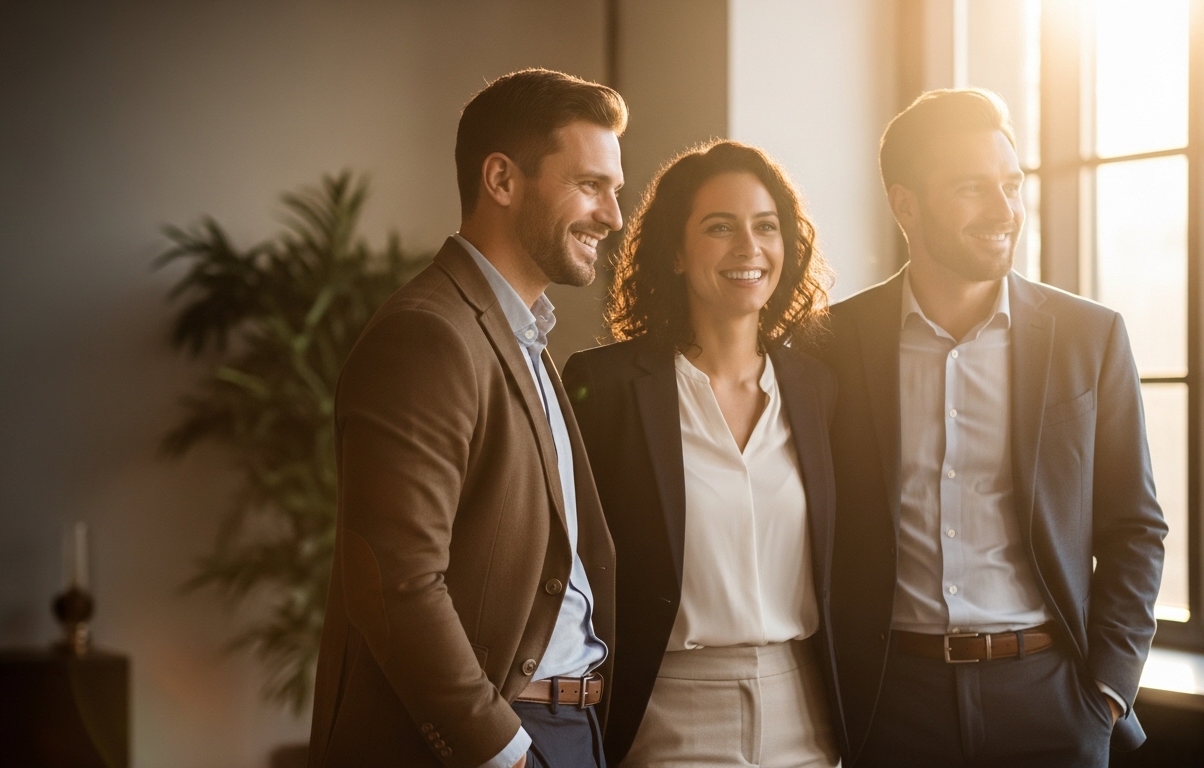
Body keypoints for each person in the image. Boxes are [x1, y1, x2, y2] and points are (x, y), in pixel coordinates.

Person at [813, 88, 1168, 767]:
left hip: (1051, 699)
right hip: (890, 704)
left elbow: (1135, 527)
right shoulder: (831, 343)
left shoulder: (1089, 338)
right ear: (904, 204)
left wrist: (1108, 691)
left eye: (1012, 185)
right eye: (972, 189)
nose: (1004, 211)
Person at [308, 68, 626, 768]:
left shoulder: (522, 338)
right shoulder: (428, 335)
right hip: (500, 742)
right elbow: (397, 582)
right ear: (503, 181)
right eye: (589, 185)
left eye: (615, 190)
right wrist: (504, 752)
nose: (613, 216)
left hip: (570, 733)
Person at [564, 140, 845, 767]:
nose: (749, 248)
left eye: (766, 227)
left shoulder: (817, 389)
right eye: (720, 228)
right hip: (668, 709)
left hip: (805, 708)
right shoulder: (605, 386)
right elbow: (566, 559)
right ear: (675, 252)